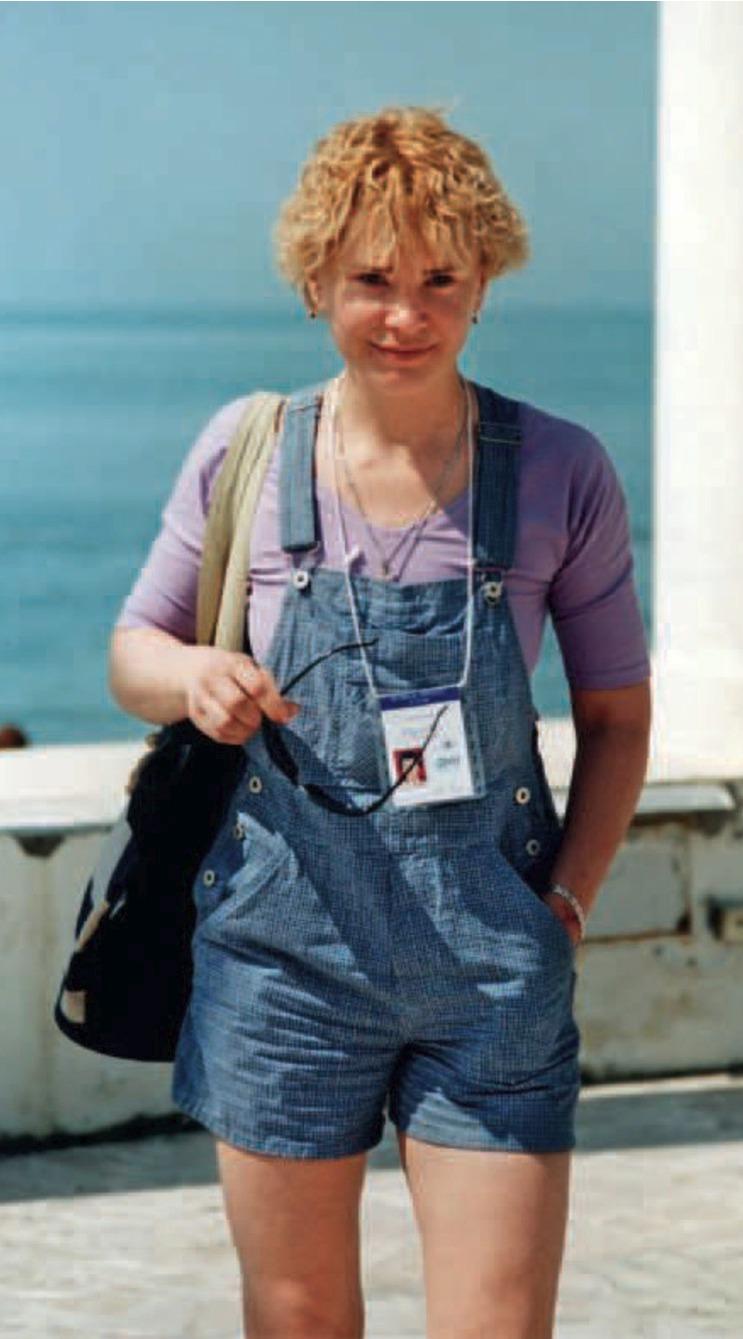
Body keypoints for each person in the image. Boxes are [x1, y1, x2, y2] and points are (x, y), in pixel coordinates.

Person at [109, 106, 651, 1339]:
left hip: (492, 968)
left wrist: (564, 903)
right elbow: (132, 653)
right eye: (370, 279)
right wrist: (194, 674)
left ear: (483, 283)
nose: (404, 314)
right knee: (296, 1319)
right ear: (315, 280)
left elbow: (616, 716)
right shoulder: (245, 451)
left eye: (438, 280)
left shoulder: (560, 469)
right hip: (279, 965)